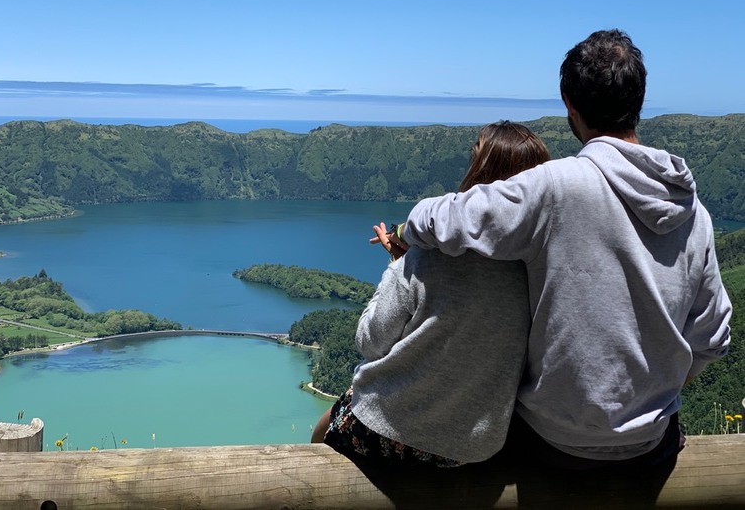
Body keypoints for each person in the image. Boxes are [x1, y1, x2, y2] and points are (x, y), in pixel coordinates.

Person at [399, 29, 732, 470]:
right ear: (639, 101)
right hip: (653, 446)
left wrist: (406, 231)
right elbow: (712, 336)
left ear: (570, 105)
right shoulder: (694, 212)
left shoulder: (557, 187)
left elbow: (448, 219)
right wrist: (650, 401)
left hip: (550, 442)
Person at [311, 121, 551, 467]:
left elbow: (371, 341)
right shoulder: (537, 264)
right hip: (476, 447)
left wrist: (399, 266)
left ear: (477, 171)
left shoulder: (430, 254)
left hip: (390, 433)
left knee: (321, 434)